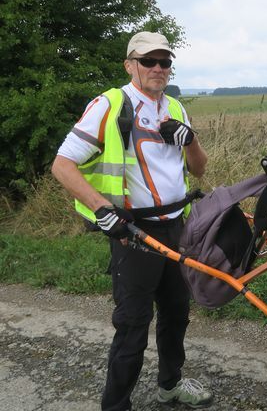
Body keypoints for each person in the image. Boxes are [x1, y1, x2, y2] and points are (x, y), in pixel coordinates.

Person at [52, 31, 211, 411]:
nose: (158, 68)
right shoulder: (111, 104)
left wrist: (189, 140)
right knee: (133, 326)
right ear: (130, 65)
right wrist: (102, 210)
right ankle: (115, 404)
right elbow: (62, 165)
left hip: (176, 227)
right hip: (133, 233)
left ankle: (170, 386)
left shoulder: (175, 108)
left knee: (177, 314)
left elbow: (200, 170)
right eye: (148, 61)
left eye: (164, 62)